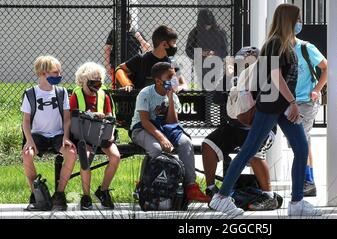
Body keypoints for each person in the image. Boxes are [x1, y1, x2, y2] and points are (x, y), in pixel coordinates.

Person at [209, 4, 322, 217]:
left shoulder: (286, 43)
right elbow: (276, 76)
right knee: (249, 150)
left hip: (281, 106)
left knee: (301, 147)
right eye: (298, 18)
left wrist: (289, 103)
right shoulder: (275, 43)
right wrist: (293, 102)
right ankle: (221, 197)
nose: (301, 22)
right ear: (289, 20)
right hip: (271, 105)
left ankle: (297, 202)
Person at [201, 46, 277, 210]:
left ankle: (269, 196)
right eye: (243, 62)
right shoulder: (233, 77)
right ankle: (211, 189)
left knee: (254, 151)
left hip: (260, 128)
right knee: (208, 144)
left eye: (250, 62)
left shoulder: (264, 78)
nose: (246, 65)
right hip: (235, 128)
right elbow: (216, 98)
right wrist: (229, 78)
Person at [129, 62, 210, 203]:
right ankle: (143, 186)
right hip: (142, 129)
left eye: (175, 76)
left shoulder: (173, 95)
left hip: (165, 128)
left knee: (185, 143)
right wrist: (162, 139)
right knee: (156, 149)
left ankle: (191, 187)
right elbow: (145, 121)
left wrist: (171, 98)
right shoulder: (145, 93)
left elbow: (172, 123)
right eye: (170, 76)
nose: (174, 79)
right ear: (158, 81)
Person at [21, 56, 77, 211]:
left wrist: (66, 137)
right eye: (55, 72)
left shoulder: (62, 92)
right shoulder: (30, 93)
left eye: (60, 71)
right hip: (37, 135)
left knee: (72, 153)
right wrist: (29, 140)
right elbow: (25, 121)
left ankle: (59, 194)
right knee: (26, 155)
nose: (59, 75)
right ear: (43, 73)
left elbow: (67, 119)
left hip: (57, 135)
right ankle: (36, 195)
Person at [69, 62, 121, 210]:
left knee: (115, 156)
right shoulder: (76, 95)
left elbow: (110, 116)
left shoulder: (103, 95)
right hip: (84, 136)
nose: (97, 83)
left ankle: (103, 191)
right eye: (93, 79)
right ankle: (86, 196)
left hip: (102, 134)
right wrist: (91, 115)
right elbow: (72, 116)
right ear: (84, 79)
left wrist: (110, 134)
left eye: (99, 79)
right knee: (85, 158)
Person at [294, 24, 328, 197]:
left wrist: (317, 89)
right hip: (287, 101)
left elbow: (326, 67)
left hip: (306, 101)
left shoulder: (306, 48)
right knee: (302, 140)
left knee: (301, 140)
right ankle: (307, 179)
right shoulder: (278, 48)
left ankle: (307, 180)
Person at [115, 25, 188, 91]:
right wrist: (127, 83)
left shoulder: (172, 62)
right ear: (164, 44)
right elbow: (119, 69)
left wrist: (178, 88)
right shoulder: (141, 59)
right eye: (174, 42)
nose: (175, 46)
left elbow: (183, 84)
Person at [186, 9, 228, 88]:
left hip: (216, 64)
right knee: (203, 88)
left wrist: (214, 53)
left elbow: (225, 51)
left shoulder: (220, 32)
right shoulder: (195, 32)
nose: (207, 27)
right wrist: (200, 53)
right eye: (205, 25)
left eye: (209, 25)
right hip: (200, 65)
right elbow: (188, 50)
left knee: (216, 88)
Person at [104, 12, 152, 81]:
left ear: (130, 21)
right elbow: (107, 48)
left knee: (133, 86)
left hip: (133, 66)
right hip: (117, 65)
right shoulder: (114, 32)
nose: (126, 23)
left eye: (127, 20)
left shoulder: (136, 32)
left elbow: (148, 49)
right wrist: (107, 64)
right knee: (117, 85)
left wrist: (140, 38)